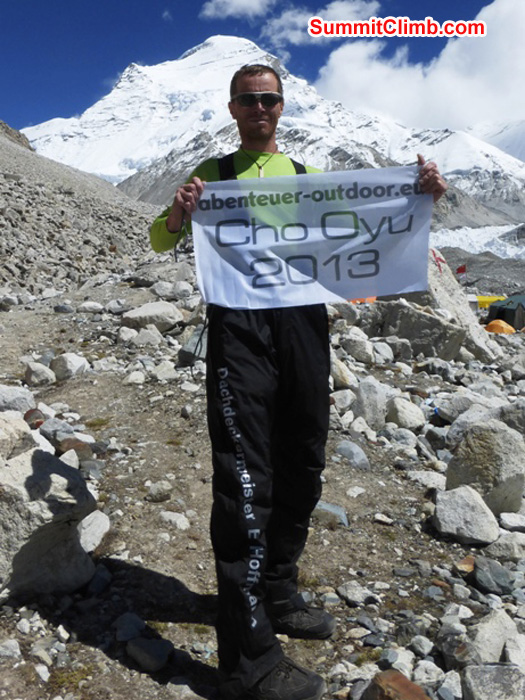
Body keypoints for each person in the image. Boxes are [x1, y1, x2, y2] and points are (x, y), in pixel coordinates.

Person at [150, 64, 447, 700]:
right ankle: (247, 662)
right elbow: (158, 239)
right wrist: (178, 215)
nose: (260, 107)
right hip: (240, 334)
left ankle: (278, 588)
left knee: (304, 459)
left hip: (304, 330)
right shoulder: (213, 175)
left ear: (282, 108)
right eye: (249, 99)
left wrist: (420, 196)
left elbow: (367, 229)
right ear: (233, 109)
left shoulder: (309, 180)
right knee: (245, 478)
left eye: (270, 98)